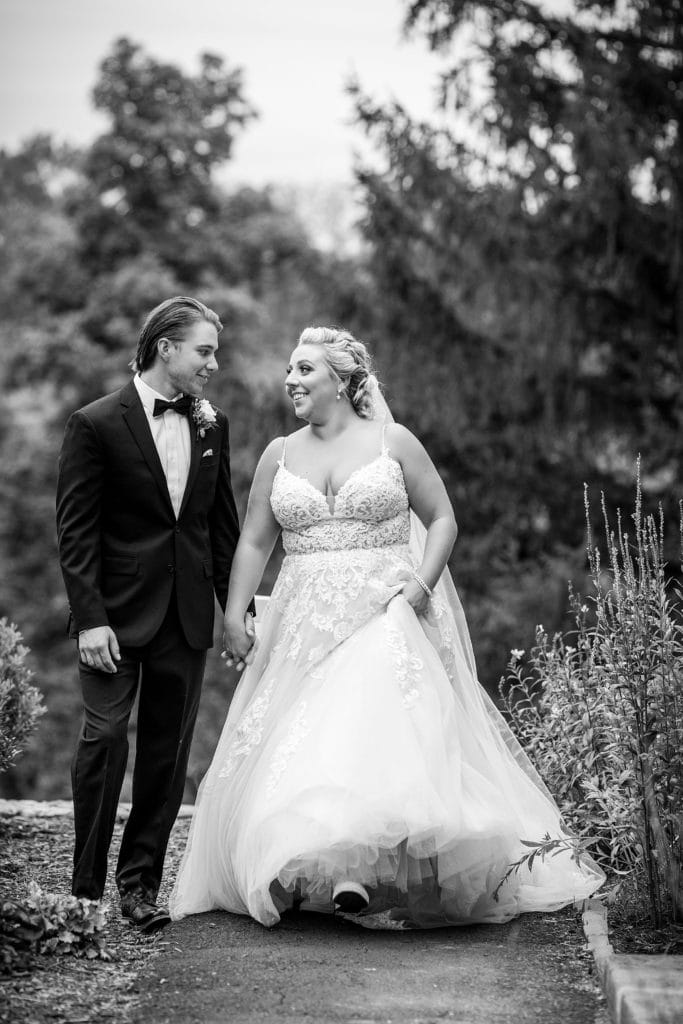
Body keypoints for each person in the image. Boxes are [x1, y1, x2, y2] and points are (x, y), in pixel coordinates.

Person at [170, 326, 603, 929]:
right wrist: (236, 616)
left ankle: (360, 872)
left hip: (384, 607)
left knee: (366, 717)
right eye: (290, 371)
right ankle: (303, 866)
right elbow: (253, 540)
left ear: (342, 382)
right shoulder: (280, 453)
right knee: (299, 735)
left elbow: (443, 518)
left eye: (304, 370)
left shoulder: (393, 442)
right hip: (303, 618)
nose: (290, 380)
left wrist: (419, 587)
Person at [56, 296, 253, 934]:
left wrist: (236, 613)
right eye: (204, 351)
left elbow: (221, 529)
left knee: (166, 758)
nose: (213, 365)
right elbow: (76, 533)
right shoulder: (95, 424)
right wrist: (90, 620)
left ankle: (139, 888)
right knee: (106, 738)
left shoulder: (211, 425)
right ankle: (85, 891)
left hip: (185, 616)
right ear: (165, 347)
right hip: (111, 618)